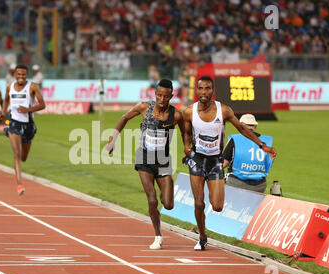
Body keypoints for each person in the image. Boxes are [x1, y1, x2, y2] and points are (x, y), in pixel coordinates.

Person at [182, 76, 276, 251]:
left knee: (217, 206)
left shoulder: (223, 110)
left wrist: (262, 145)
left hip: (215, 160)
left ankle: (204, 228)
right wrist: (187, 147)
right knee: (199, 203)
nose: (204, 92)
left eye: (207, 88)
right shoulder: (189, 112)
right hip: (197, 160)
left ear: (212, 90)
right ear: (197, 90)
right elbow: (186, 133)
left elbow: (241, 128)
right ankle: (202, 236)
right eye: (201, 88)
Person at [106, 79, 186, 250]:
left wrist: (187, 148)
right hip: (144, 158)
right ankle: (158, 235)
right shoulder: (144, 107)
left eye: (166, 96)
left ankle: (164, 200)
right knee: (151, 199)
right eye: (159, 95)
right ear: (154, 94)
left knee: (168, 204)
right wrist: (113, 140)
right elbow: (124, 117)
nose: (162, 99)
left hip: (163, 160)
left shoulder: (176, 115)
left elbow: (186, 132)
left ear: (171, 96)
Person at [0, 65, 46, 195]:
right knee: (17, 154)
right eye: (18, 74)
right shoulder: (10, 87)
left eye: (23, 74)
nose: (21, 77)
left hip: (28, 125)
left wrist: (27, 110)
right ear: (14, 74)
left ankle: (19, 178)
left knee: (24, 157)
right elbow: (6, 100)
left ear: (27, 75)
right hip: (14, 124)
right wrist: (3, 113)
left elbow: (42, 105)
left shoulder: (32, 86)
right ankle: (19, 185)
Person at [222, 114, 274, 193]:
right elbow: (268, 164)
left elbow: (224, 163)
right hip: (259, 185)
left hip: (236, 183)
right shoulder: (266, 141)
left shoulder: (235, 139)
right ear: (255, 126)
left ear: (240, 126)